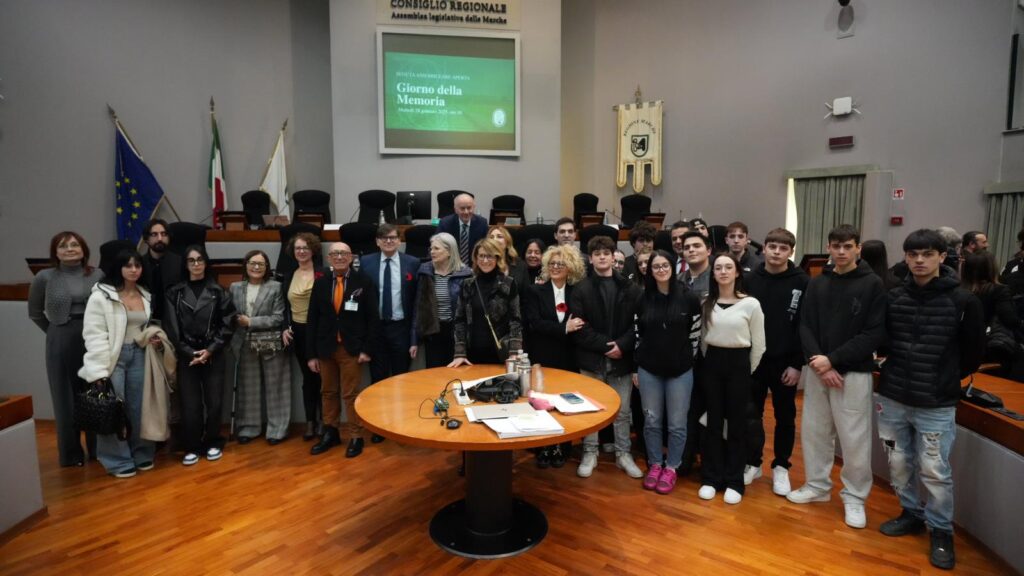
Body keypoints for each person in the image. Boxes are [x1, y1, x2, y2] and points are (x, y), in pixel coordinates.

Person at [877, 229, 984, 571]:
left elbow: (972, 355)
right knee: (898, 462)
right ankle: (911, 513)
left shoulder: (963, 301)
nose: (919, 260)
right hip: (894, 395)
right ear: (906, 258)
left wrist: (945, 376)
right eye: (913, 254)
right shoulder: (894, 296)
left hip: (936, 402)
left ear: (942, 256)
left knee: (935, 471)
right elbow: (884, 340)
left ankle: (940, 530)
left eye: (927, 254)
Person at [788, 224, 886, 530]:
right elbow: (805, 325)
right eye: (836, 246)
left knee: (854, 439)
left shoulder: (872, 284)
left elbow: (873, 333)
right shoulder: (818, 283)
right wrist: (820, 362)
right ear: (828, 248)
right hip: (819, 371)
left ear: (858, 248)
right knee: (815, 432)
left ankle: (855, 497)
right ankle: (817, 486)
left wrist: (833, 360)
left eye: (847, 246)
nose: (841, 252)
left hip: (852, 373)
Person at [79, 249, 161, 478]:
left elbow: (143, 326)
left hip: (139, 353)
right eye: (128, 265)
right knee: (113, 409)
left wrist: (151, 336)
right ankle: (117, 461)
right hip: (112, 356)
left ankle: (142, 453)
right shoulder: (101, 295)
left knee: (139, 408)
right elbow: (94, 334)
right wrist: (98, 370)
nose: (134, 270)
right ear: (118, 268)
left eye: (137, 265)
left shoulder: (146, 294)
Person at [570, 235, 643, 479]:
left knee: (622, 412)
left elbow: (637, 325)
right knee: (590, 409)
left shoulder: (631, 288)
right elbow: (579, 327)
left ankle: (623, 453)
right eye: (597, 254)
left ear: (614, 257)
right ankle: (590, 452)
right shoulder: (581, 289)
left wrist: (622, 345)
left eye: (606, 253)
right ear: (590, 259)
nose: (602, 257)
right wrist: (606, 346)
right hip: (592, 359)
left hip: (622, 358)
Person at [742, 228, 808, 496]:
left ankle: (781, 466)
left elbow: (804, 325)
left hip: (785, 363)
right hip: (754, 361)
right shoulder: (750, 279)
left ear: (791, 251)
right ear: (765, 249)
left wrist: (797, 364)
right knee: (751, 415)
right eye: (772, 247)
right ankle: (753, 462)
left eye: (783, 248)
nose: (777, 252)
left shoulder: (802, 281)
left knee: (785, 416)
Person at [28, 231, 102, 467]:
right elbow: (35, 313)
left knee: (94, 394)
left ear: (83, 249)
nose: (69, 249)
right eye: (63, 246)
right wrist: (54, 333)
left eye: (74, 244)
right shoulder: (44, 277)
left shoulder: (98, 274)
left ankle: (99, 451)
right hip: (60, 337)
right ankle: (71, 454)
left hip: (92, 337)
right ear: (55, 252)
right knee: (64, 398)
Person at [697, 253, 765, 504]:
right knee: (713, 422)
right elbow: (703, 341)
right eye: (718, 268)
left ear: (737, 272)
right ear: (713, 273)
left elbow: (759, 344)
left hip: (739, 365)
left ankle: (734, 480)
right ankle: (711, 478)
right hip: (713, 363)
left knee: (737, 424)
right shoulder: (707, 302)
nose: (723, 271)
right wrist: (712, 364)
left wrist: (746, 370)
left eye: (728, 267)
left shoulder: (751, 304)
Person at [634, 250, 702, 494]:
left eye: (665, 265)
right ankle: (655, 464)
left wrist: (685, 361)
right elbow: (638, 336)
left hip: (680, 371)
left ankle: (672, 467)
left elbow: (695, 336)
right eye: (656, 266)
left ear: (673, 268)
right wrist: (636, 367)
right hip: (649, 370)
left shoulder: (689, 298)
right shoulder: (643, 298)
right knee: (652, 421)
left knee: (677, 424)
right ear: (650, 271)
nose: (661, 270)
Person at [164, 245, 236, 466]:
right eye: (191, 260)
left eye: (199, 260)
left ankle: (213, 442)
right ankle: (192, 446)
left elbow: (228, 324)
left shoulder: (219, 291)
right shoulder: (174, 292)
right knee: (190, 404)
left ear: (206, 263)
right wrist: (189, 352)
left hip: (214, 353)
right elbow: (172, 328)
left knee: (214, 402)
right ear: (185, 265)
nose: (196, 264)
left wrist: (210, 350)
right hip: (187, 356)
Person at [307, 242, 380, 458]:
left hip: (351, 349)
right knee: (328, 392)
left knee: (351, 394)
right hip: (325, 348)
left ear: (351, 257)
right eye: (335, 254)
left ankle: (356, 436)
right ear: (329, 258)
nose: (339, 257)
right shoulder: (321, 283)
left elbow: (373, 318)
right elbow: (312, 319)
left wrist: (367, 349)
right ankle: (331, 432)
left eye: (343, 253)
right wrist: (311, 354)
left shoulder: (363, 281)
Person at [523, 244, 587, 468]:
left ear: (570, 267)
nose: (556, 267)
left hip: (569, 357)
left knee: (564, 403)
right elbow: (534, 323)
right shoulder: (535, 291)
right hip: (543, 356)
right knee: (542, 402)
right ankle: (543, 447)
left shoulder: (577, 291)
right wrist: (564, 328)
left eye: (561, 263)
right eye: (552, 263)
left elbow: (581, 322)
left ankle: (562, 446)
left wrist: (568, 329)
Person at [359, 223, 419, 444]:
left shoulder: (412, 263)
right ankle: (380, 425)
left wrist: (414, 337)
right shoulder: (366, 262)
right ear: (377, 241)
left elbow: (416, 303)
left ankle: (400, 425)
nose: (389, 241)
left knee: (401, 379)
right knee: (378, 380)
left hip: (400, 328)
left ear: (399, 241)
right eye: (384, 238)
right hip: (375, 329)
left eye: (393, 238)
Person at [228, 250, 291, 445]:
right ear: (245, 265)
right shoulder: (235, 287)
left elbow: (278, 317)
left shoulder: (276, 287)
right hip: (244, 343)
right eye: (252, 263)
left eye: (261, 264)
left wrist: (251, 322)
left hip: (271, 343)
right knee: (249, 387)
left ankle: (277, 430)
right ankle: (249, 427)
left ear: (267, 268)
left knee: (276, 387)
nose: (256, 267)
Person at [449, 238, 523, 367]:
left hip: (500, 354)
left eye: (489, 256)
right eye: (481, 256)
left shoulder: (508, 283)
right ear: (476, 258)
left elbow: (515, 319)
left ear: (497, 258)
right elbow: (460, 320)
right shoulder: (467, 285)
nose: (485, 260)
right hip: (472, 354)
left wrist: (514, 352)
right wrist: (460, 353)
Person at [280, 232, 325, 441]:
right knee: (308, 378)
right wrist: (284, 327)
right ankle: (310, 422)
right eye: (298, 248)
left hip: (319, 331)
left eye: (305, 248)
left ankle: (324, 420)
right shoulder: (289, 275)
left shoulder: (323, 273)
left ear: (313, 250)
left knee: (323, 378)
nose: (301, 251)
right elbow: (283, 305)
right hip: (298, 332)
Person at [415, 233, 472, 368]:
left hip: (457, 332)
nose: (432, 252)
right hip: (433, 332)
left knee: (457, 372)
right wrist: (414, 338)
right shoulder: (425, 272)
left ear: (449, 251)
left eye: (436, 248)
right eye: (431, 248)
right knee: (434, 373)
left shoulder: (465, 274)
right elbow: (418, 306)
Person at [961, 251, 1021, 365]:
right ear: (991, 269)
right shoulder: (999, 291)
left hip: (962, 346)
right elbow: (1009, 319)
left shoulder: (958, 291)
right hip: (990, 346)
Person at [140, 219, 183, 323]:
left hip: (175, 319)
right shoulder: (139, 265)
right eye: (154, 234)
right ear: (146, 239)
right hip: (146, 319)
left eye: (164, 234)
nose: (160, 238)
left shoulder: (180, 263)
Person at [437, 192, 488, 268]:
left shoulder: (482, 223)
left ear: (474, 207)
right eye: (462, 208)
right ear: (455, 209)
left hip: (475, 266)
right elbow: (437, 245)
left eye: (469, 208)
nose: (466, 212)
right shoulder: (445, 223)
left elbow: (486, 247)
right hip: (451, 265)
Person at [488, 225, 529, 290]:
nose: (495, 240)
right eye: (491, 237)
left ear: (507, 243)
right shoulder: (484, 263)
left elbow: (526, 292)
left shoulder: (520, 264)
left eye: (499, 236)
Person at [680, 231, 712, 297]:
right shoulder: (676, 280)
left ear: (708, 251)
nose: (691, 250)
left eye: (697, 246)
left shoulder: (717, 277)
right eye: (686, 248)